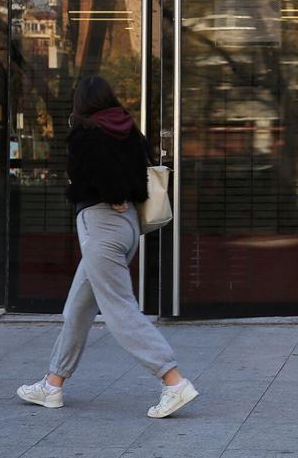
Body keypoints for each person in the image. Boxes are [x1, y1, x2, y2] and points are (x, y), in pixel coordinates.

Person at [16, 76, 199, 418]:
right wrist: (121, 199)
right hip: (128, 225)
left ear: (82, 103)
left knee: (119, 309)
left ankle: (173, 381)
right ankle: (52, 385)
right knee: (79, 308)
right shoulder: (129, 130)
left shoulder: (85, 133)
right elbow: (141, 175)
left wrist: (112, 196)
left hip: (101, 227)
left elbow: (99, 176)